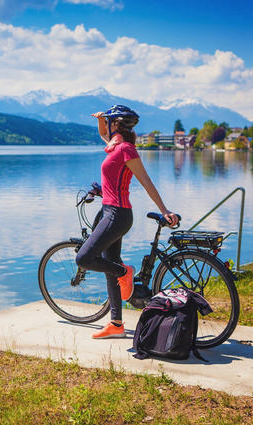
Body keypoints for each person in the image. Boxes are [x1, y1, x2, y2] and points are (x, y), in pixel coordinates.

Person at [75, 105, 179, 339]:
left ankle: (125, 271)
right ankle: (116, 324)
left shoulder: (126, 149)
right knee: (107, 264)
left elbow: (146, 181)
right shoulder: (114, 146)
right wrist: (101, 119)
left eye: (110, 122)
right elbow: (104, 135)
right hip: (110, 211)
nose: (106, 128)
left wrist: (164, 209)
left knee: (83, 258)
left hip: (118, 215)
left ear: (116, 125)